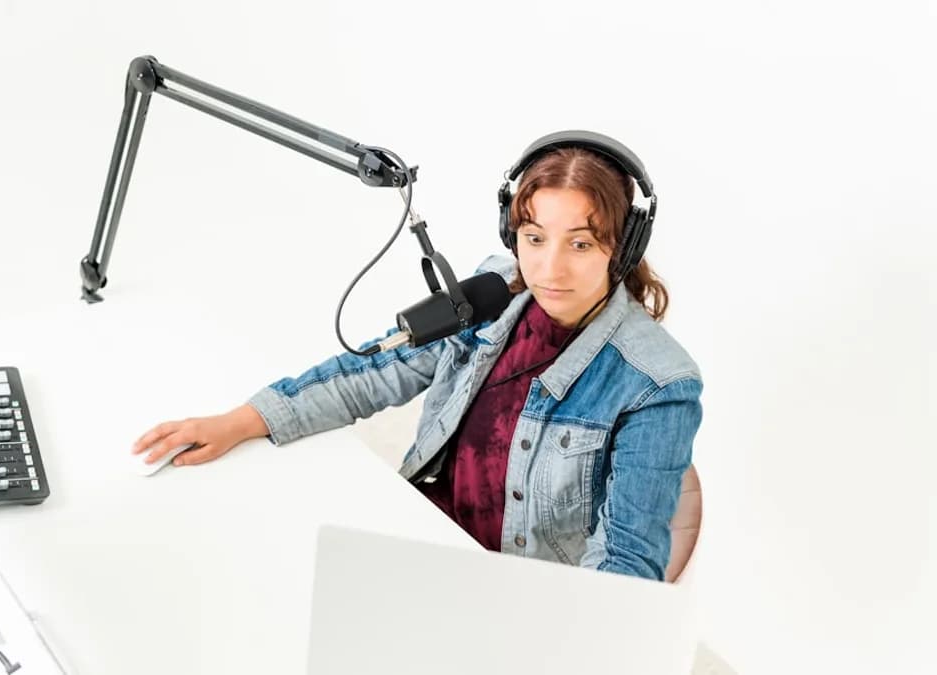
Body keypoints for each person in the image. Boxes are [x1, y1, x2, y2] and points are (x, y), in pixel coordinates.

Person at [132, 130, 703, 581]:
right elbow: (374, 372)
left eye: (580, 243)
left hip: (518, 596)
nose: (548, 269)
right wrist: (243, 420)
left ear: (623, 245)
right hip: (425, 543)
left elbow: (624, 564)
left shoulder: (658, 381)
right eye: (534, 237)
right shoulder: (493, 294)